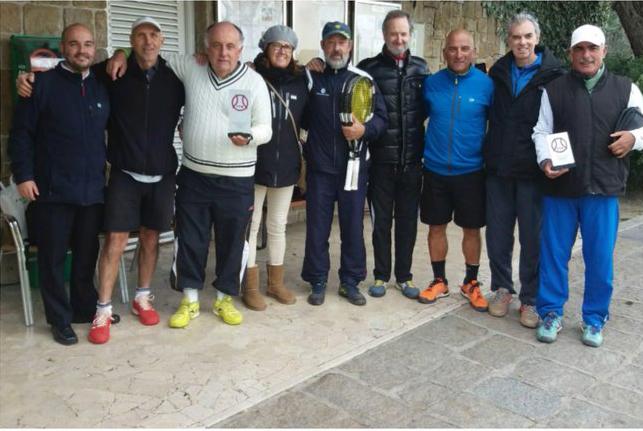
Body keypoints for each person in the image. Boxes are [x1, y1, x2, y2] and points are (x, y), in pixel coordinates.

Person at [20, 17, 186, 344]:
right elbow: (27, 127)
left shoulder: (174, 80)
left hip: (126, 181)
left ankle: (122, 300)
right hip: (90, 180)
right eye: (140, 36)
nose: (148, 41)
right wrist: (25, 80)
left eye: (153, 35)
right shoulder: (105, 76)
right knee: (94, 247)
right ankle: (86, 312)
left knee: (103, 248)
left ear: (162, 40)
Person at [108, 21, 272, 327]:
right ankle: (190, 299)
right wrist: (119, 52)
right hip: (194, 174)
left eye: (230, 46)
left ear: (241, 49)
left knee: (232, 241)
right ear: (205, 47)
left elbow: (266, 128)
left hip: (237, 178)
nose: (223, 52)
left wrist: (249, 136)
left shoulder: (253, 81)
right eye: (216, 45)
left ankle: (224, 299)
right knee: (191, 238)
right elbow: (149, 52)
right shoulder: (190, 67)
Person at [532, 24, 643, 347]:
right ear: (570, 53)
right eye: (579, 49)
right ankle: (550, 313)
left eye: (592, 48)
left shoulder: (626, 89)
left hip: (604, 190)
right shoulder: (553, 90)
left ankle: (594, 319)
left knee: (599, 258)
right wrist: (545, 161)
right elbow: (541, 132)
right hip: (561, 187)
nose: (586, 55)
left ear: (604, 51)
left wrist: (633, 138)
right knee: (553, 255)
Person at [8, 24, 110, 345]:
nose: (83, 50)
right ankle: (59, 319)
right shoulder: (41, 84)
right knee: (52, 259)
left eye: (89, 44)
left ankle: (82, 308)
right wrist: (24, 175)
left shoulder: (102, 84)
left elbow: (135, 55)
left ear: (95, 49)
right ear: (63, 48)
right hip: (50, 190)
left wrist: (120, 53)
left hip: (91, 190)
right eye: (75, 44)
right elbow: (21, 134)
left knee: (85, 253)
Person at [483, 13, 564, 328]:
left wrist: (557, 161)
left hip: (533, 172)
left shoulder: (555, 76)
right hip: (499, 170)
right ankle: (503, 289)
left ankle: (530, 299)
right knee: (498, 235)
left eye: (528, 36)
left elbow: (561, 123)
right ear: (509, 40)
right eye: (516, 37)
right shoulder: (498, 72)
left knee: (533, 238)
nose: (522, 42)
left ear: (537, 38)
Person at [301, 21, 387, 306]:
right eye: (331, 42)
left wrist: (364, 131)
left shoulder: (364, 79)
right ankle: (317, 280)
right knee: (316, 227)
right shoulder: (312, 77)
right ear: (323, 45)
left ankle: (350, 281)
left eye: (342, 42)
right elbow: (299, 114)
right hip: (320, 170)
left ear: (350, 46)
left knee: (352, 226)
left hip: (354, 167)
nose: (337, 48)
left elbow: (381, 121)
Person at [418, 29, 493, 311]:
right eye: (453, 49)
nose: (458, 54)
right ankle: (439, 280)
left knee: (471, 229)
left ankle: (470, 282)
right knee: (435, 226)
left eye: (464, 49)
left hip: (471, 171)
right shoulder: (432, 84)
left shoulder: (487, 86)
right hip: (435, 169)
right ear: (444, 52)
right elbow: (416, 118)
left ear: (473, 52)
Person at [356, 10, 429, 300]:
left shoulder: (422, 69)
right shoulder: (368, 69)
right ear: (384, 35)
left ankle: (404, 276)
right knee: (381, 222)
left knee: (408, 222)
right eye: (393, 33)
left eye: (403, 33)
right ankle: (381, 275)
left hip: (412, 162)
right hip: (380, 163)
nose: (398, 39)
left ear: (410, 35)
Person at [242, 25, 309, 311]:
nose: (282, 51)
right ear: (265, 49)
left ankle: (275, 282)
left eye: (288, 47)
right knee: (252, 226)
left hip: (287, 164)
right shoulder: (250, 76)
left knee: (278, 225)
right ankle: (250, 286)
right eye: (276, 45)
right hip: (255, 163)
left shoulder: (301, 80)